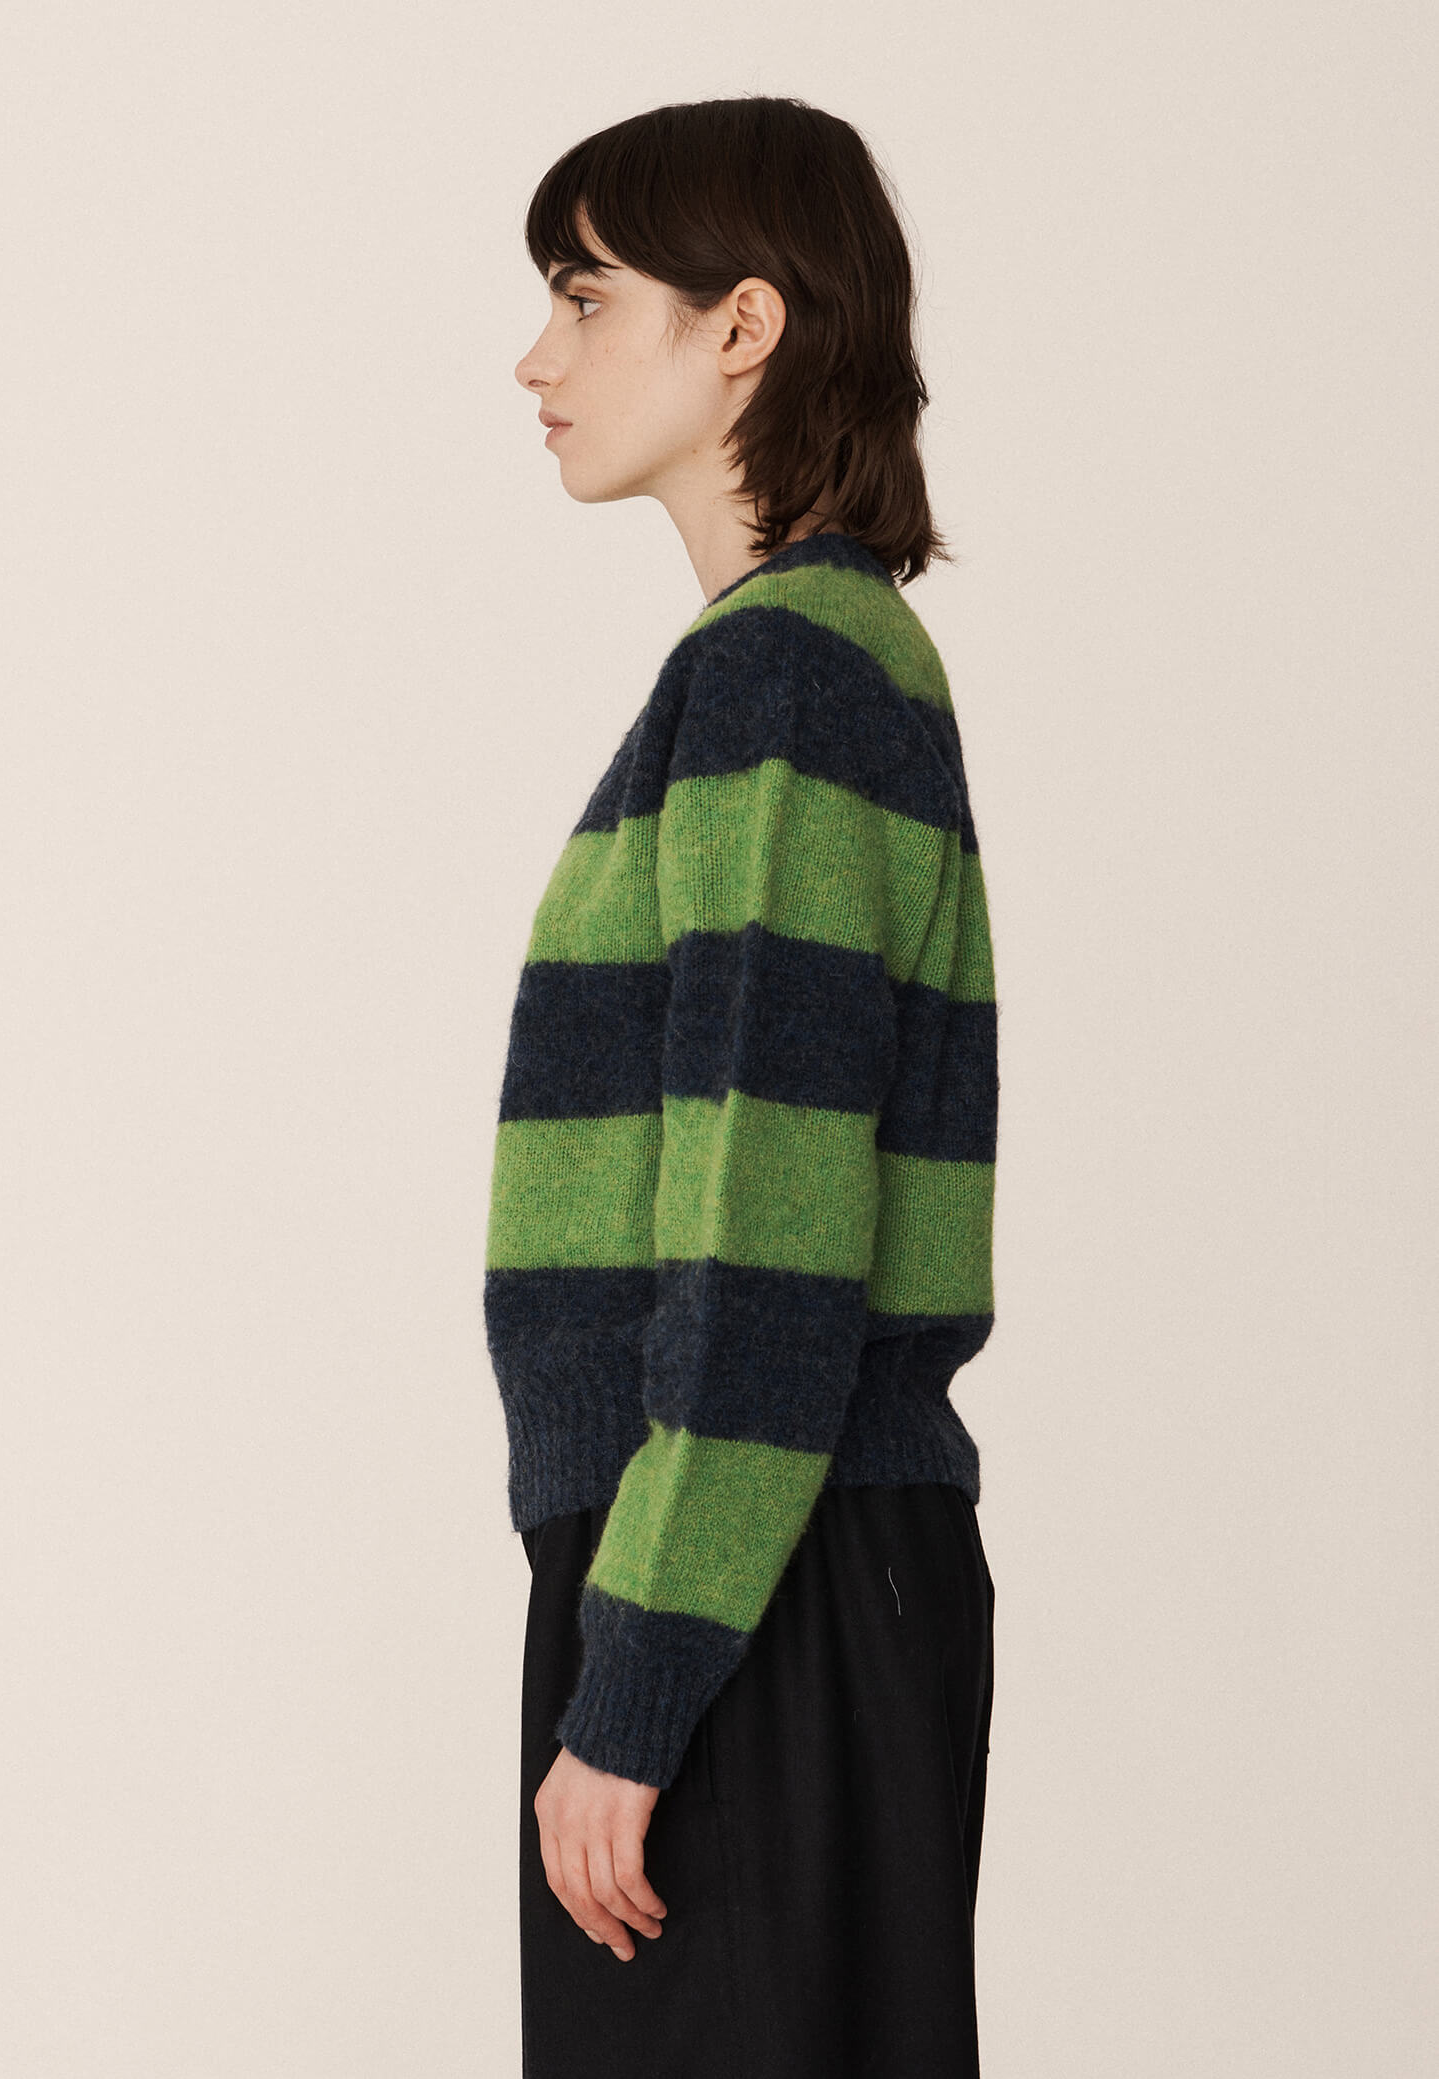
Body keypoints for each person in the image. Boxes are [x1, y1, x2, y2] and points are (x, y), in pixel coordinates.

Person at [485, 95, 999, 2078]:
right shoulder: (793, 664)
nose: (537, 357)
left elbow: (768, 1235)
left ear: (744, 326)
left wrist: (635, 1688)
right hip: (740, 1562)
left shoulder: (790, 676)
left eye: (584, 297)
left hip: (746, 1579)